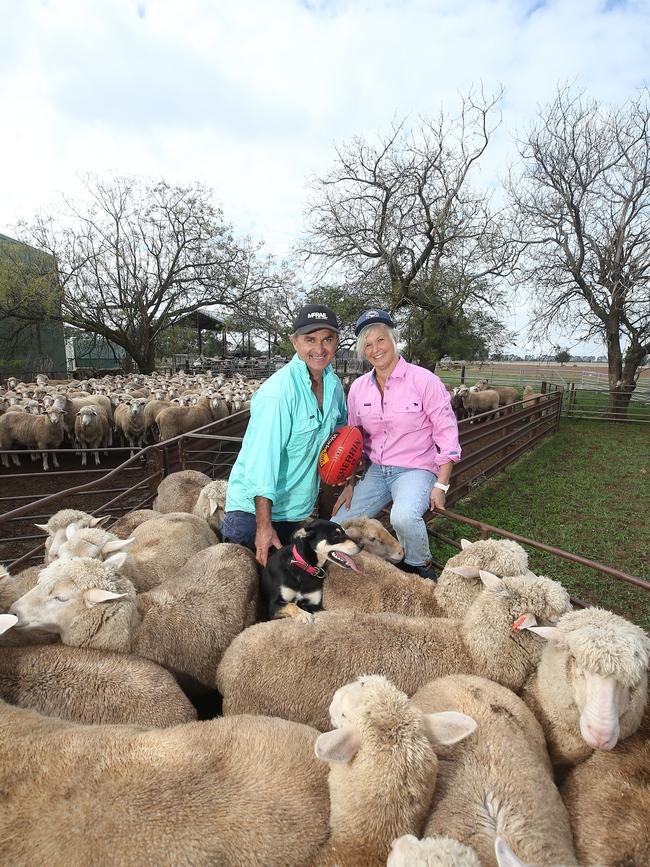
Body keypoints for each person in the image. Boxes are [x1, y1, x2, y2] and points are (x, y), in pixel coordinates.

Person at [331, 309, 461, 580]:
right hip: (377, 471)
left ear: (394, 339)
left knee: (403, 517)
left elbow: (447, 431)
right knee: (337, 526)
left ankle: (419, 571)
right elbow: (354, 440)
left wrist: (441, 485)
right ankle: (356, 574)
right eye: (367, 344)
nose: (375, 349)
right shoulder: (358, 389)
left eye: (381, 340)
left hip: (415, 469)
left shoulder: (424, 380)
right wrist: (349, 484)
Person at [222, 304, 347, 566]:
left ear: (337, 341)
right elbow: (262, 463)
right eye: (310, 339)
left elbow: (342, 436)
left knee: (286, 596)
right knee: (249, 596)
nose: (319, 348)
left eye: (328, 339)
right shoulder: (278, 393)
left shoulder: (334, 385)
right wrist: (264, 526)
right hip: (254, 516)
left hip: (294, 511)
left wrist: (350, 477)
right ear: (294, 342)